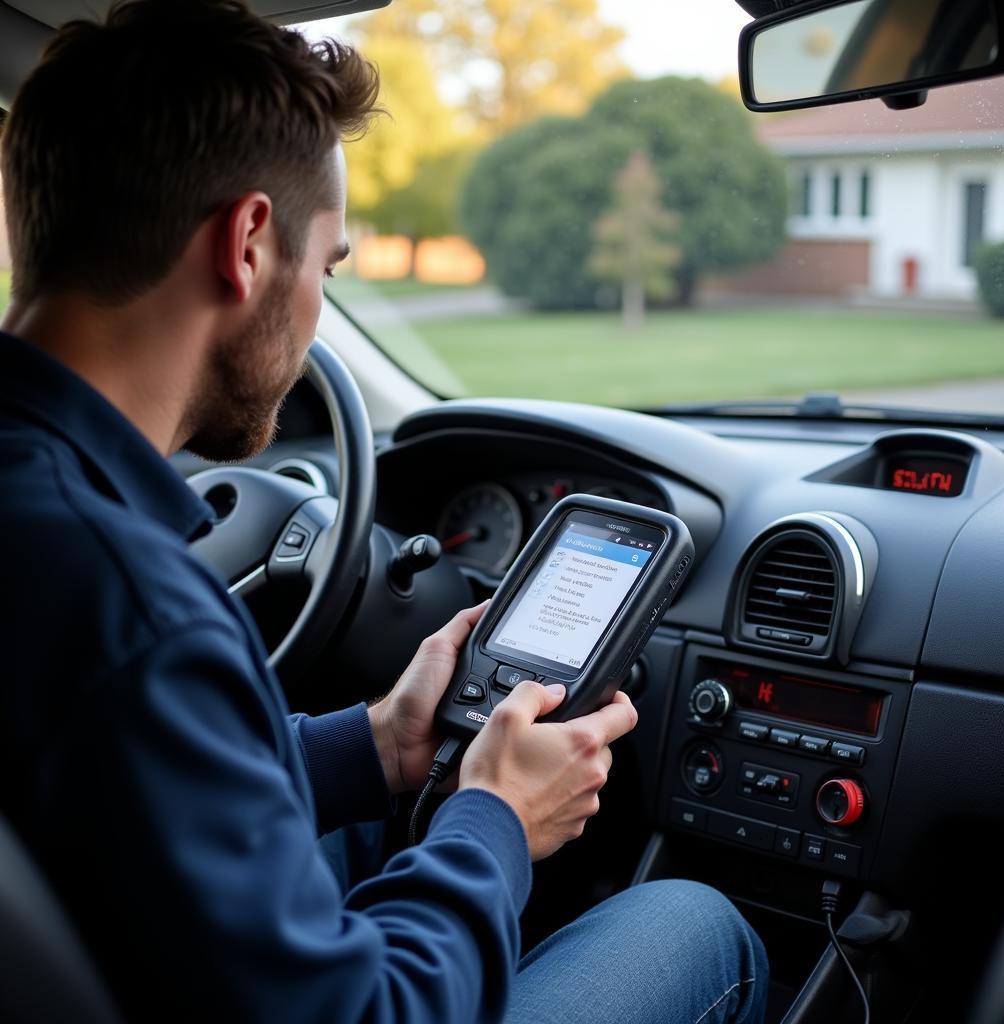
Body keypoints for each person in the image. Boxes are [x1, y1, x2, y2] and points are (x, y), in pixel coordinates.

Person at [0, 2, 769, 1021]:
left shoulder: (45, 521)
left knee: (381, 823)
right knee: (696, 924)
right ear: (247, 242)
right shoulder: (136, 609)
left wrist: (379, 742)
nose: (317, 299)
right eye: (327, 267)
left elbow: (129, 785)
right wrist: (494, 817)